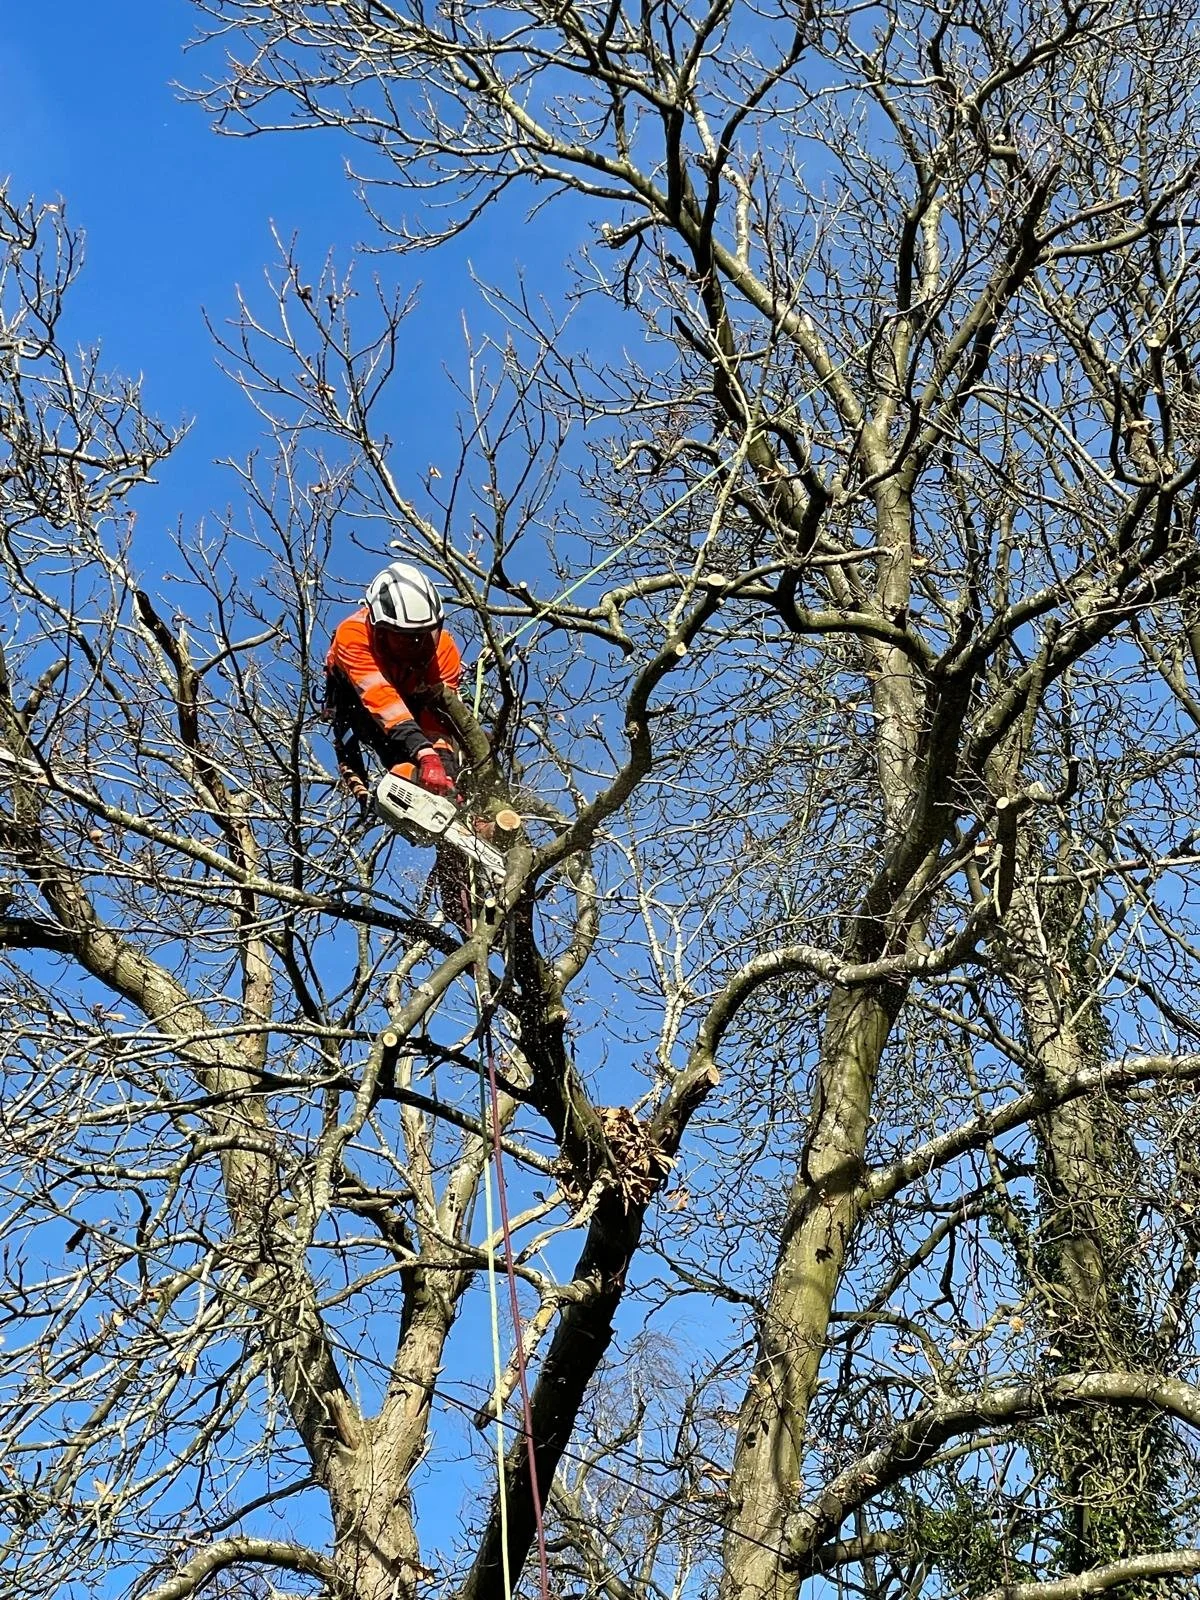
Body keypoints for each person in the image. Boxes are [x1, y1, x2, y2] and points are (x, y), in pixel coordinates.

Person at [324, 562, 466, 803]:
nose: (415, 645)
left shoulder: (443, 648)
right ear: (381, 629)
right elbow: (381, 698)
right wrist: (424, 754)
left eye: (422, 636)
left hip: (413, 701)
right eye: (405, 638)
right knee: (401, 756)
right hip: (361, 706)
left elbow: (438, 715)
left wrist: (442, 762)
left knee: (456, 758)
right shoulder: (353, 636)